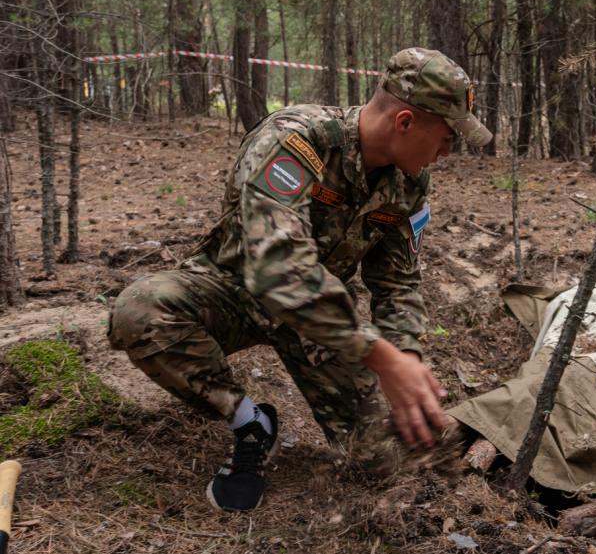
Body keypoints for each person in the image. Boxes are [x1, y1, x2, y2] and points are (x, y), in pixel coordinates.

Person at [108, 47, 491, 512]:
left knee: (384, 463)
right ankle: (251, 424)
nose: (449, 151)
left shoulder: (408, 183)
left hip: (320, 323)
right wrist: (383, 358)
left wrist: (406, 356)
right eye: (448, 136)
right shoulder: (294, 141)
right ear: (405, 122)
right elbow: (278, 269)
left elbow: (398, 283)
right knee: (142, 312)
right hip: (232, 292)